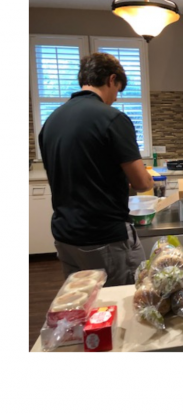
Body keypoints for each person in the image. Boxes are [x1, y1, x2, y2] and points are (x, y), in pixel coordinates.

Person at [39, 53, 154, 286]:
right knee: (122, 305)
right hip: (104, 238)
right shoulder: (112, 119)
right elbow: (142, 183)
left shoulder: (52, 121)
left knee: (84, 306)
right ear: (112, 79)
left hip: (65, 237)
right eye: (117, 91)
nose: (114, 99)